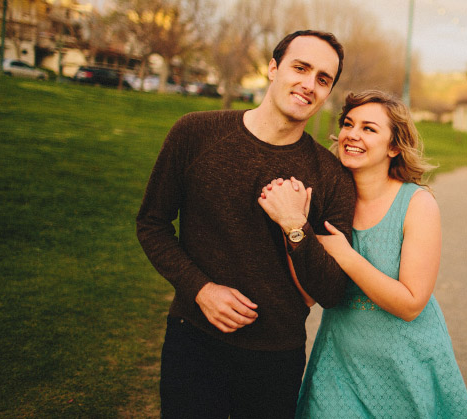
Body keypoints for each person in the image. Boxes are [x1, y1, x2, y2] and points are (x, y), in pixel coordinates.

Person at [136, 30, 356, 419]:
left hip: (276, 357)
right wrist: (200, 289)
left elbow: (333, 290)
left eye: (323, 79)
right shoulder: (195, 133)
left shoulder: (330, 175)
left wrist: (294, 224)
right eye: (300, 68)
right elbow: (152, 224)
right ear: (273, 69)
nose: (309, 84)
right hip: (193, 340)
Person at [262, 90, 467, 418]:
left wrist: (346, 256)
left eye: (369, 128)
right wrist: (294, 229)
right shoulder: (326, 202)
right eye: (349, 124)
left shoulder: (417, 204)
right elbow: (307, 295)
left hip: (405, 365)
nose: (353, 135)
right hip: (339, 366)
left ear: (394, 146)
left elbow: (411, 304)